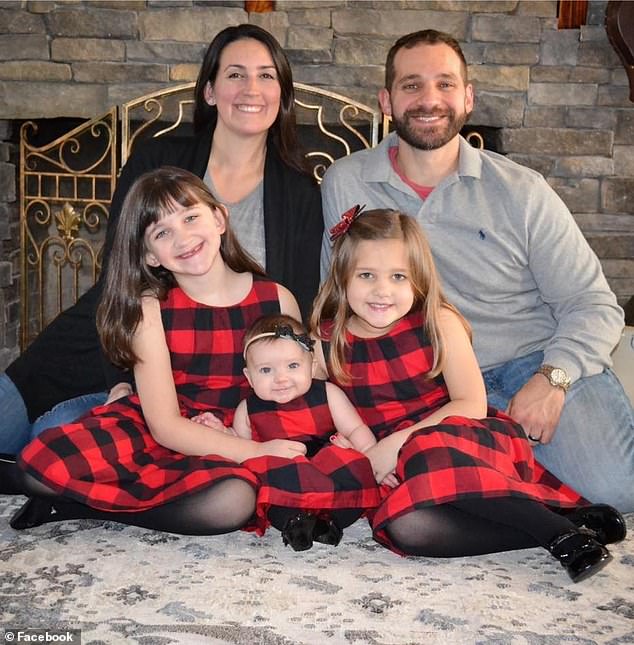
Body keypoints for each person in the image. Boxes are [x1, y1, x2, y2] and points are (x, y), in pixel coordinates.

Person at [319, 29, 633, 512]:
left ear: (468, 99)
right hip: (421, 381)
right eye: (411, 85)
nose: (429, 100)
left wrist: (553, 379)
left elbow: (592, 303)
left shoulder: (522, 191)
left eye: (445, 84)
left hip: (531, 358)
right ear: (386, 101)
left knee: (616, 492)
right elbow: (335, 292)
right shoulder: (346, 181)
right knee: (417, 498)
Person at [0, 23, 322, 452]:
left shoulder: (299, 190)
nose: (251, 88)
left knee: (51, 445)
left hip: (210, 383)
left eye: (266, 75)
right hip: (106, 349)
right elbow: (121, 274)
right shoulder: (160, 159)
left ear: (282, 92)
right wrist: (121, 380)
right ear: (209, 91)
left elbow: (294, 307)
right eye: (235, 74)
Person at [311, 207, 626, 583]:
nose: (382, 290)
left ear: (418, 279)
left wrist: (394, 447)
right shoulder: (326, 341)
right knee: (404, 527)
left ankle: (560, 538)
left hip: (459, 440)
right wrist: (350, 448)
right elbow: (316, 409)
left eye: (398, 276)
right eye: (366, 275)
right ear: (342, 276)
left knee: (427, 451)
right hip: (395, 467)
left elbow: (471, 404)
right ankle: (563, 523)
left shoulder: (438, 322)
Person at [2, 167, 308, 535]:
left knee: (232, 504)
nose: (183, 238)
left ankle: (79, 502)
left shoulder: (276, 298)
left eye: (191, 217)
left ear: (219, 218)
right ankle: (70, 495)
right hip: (159, 428)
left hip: (236, 436)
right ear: (150, 257)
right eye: (162, 233)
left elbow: (299, 387)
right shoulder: (151, 308)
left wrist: (250, 444)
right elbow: (164, 425)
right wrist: (255, 455)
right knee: (41, 465)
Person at [205, 313, 381, 551]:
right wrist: (222, 432)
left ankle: (330, 522)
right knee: (270, 498)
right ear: (250, 377)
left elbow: (356, 428)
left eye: (293, 366)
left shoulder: (328, 393)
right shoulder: (247, 408)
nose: (281, 378)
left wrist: (368, 455)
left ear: (312, 367)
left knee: (351, 476)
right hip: (284, 473)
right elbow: (242, 449)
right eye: (266, 370)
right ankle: (295, 522)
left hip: (325, 463)